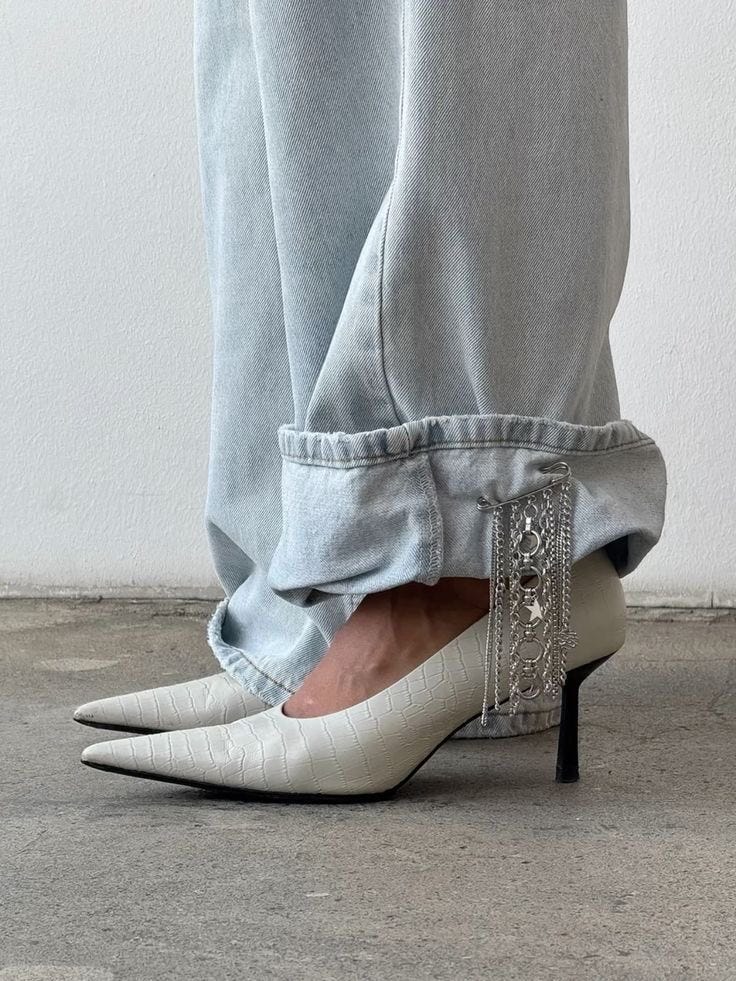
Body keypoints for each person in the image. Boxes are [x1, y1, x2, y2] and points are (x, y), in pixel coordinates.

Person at [76, 1, 665, 800]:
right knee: (297, 41)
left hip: (495, 530)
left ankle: (478, 561)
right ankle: (322, 606)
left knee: (474, 26)